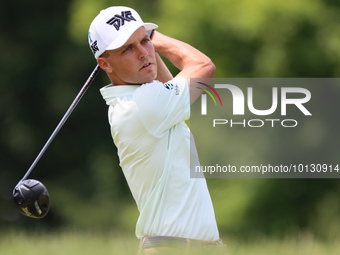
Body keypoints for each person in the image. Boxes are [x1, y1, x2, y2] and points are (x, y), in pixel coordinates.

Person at [88, 6, 225, 253]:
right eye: (127, 48)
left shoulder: (138, 102)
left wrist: (146, 48)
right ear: (105, 64)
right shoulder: (143, 105)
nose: (142, 53)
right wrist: (155, 39)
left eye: (143, 41)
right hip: (175, 248)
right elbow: (203, 66)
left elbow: (166, 84)